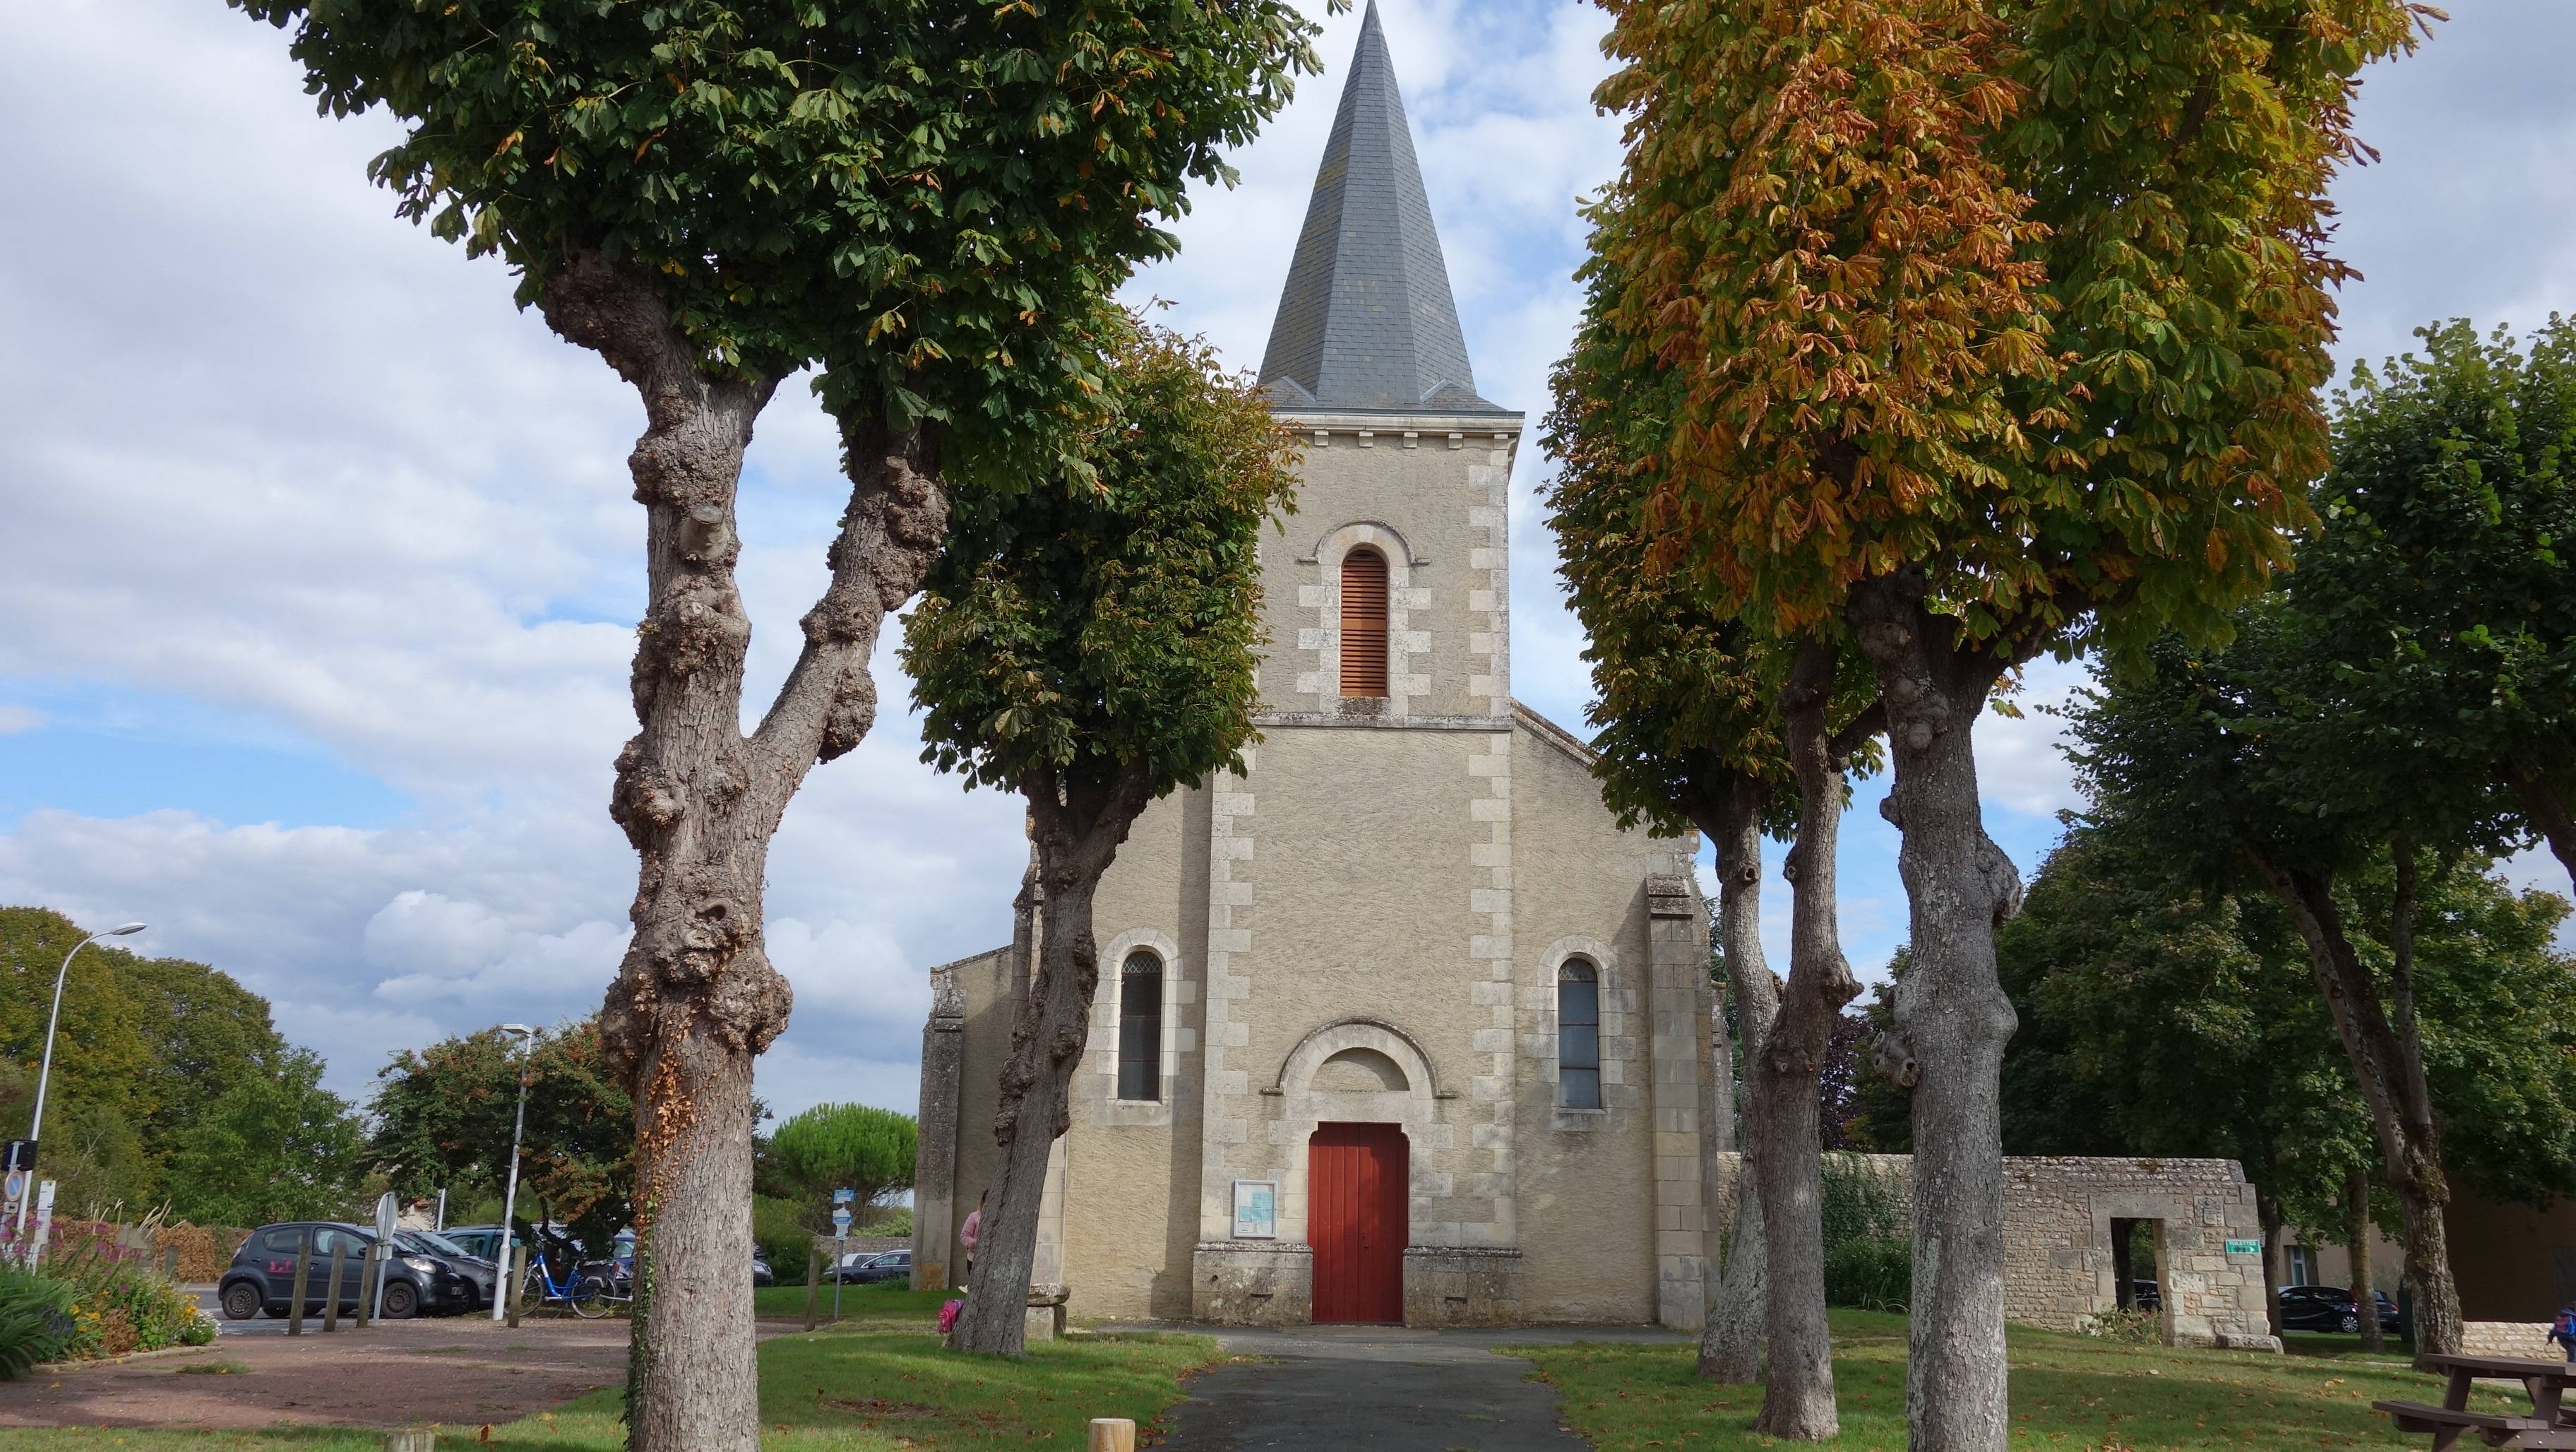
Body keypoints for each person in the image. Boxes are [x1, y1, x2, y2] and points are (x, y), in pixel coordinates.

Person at [959, 1190, 985, 1290]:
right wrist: (976, 1243)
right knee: (977, 1289)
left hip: (995, 1260)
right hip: (974, 1258)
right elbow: (964, 1236)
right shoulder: (974, 1216)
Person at [2551, 1298, 2576, 1362]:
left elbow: (2555, 1328)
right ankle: (2572, 1370)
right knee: (2573, 1358)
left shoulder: (2562, 1315)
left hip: (2562, 1338)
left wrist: (2550, 1338)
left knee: (2571, 1355)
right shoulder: (2573, 1316)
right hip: (2572, 1338)